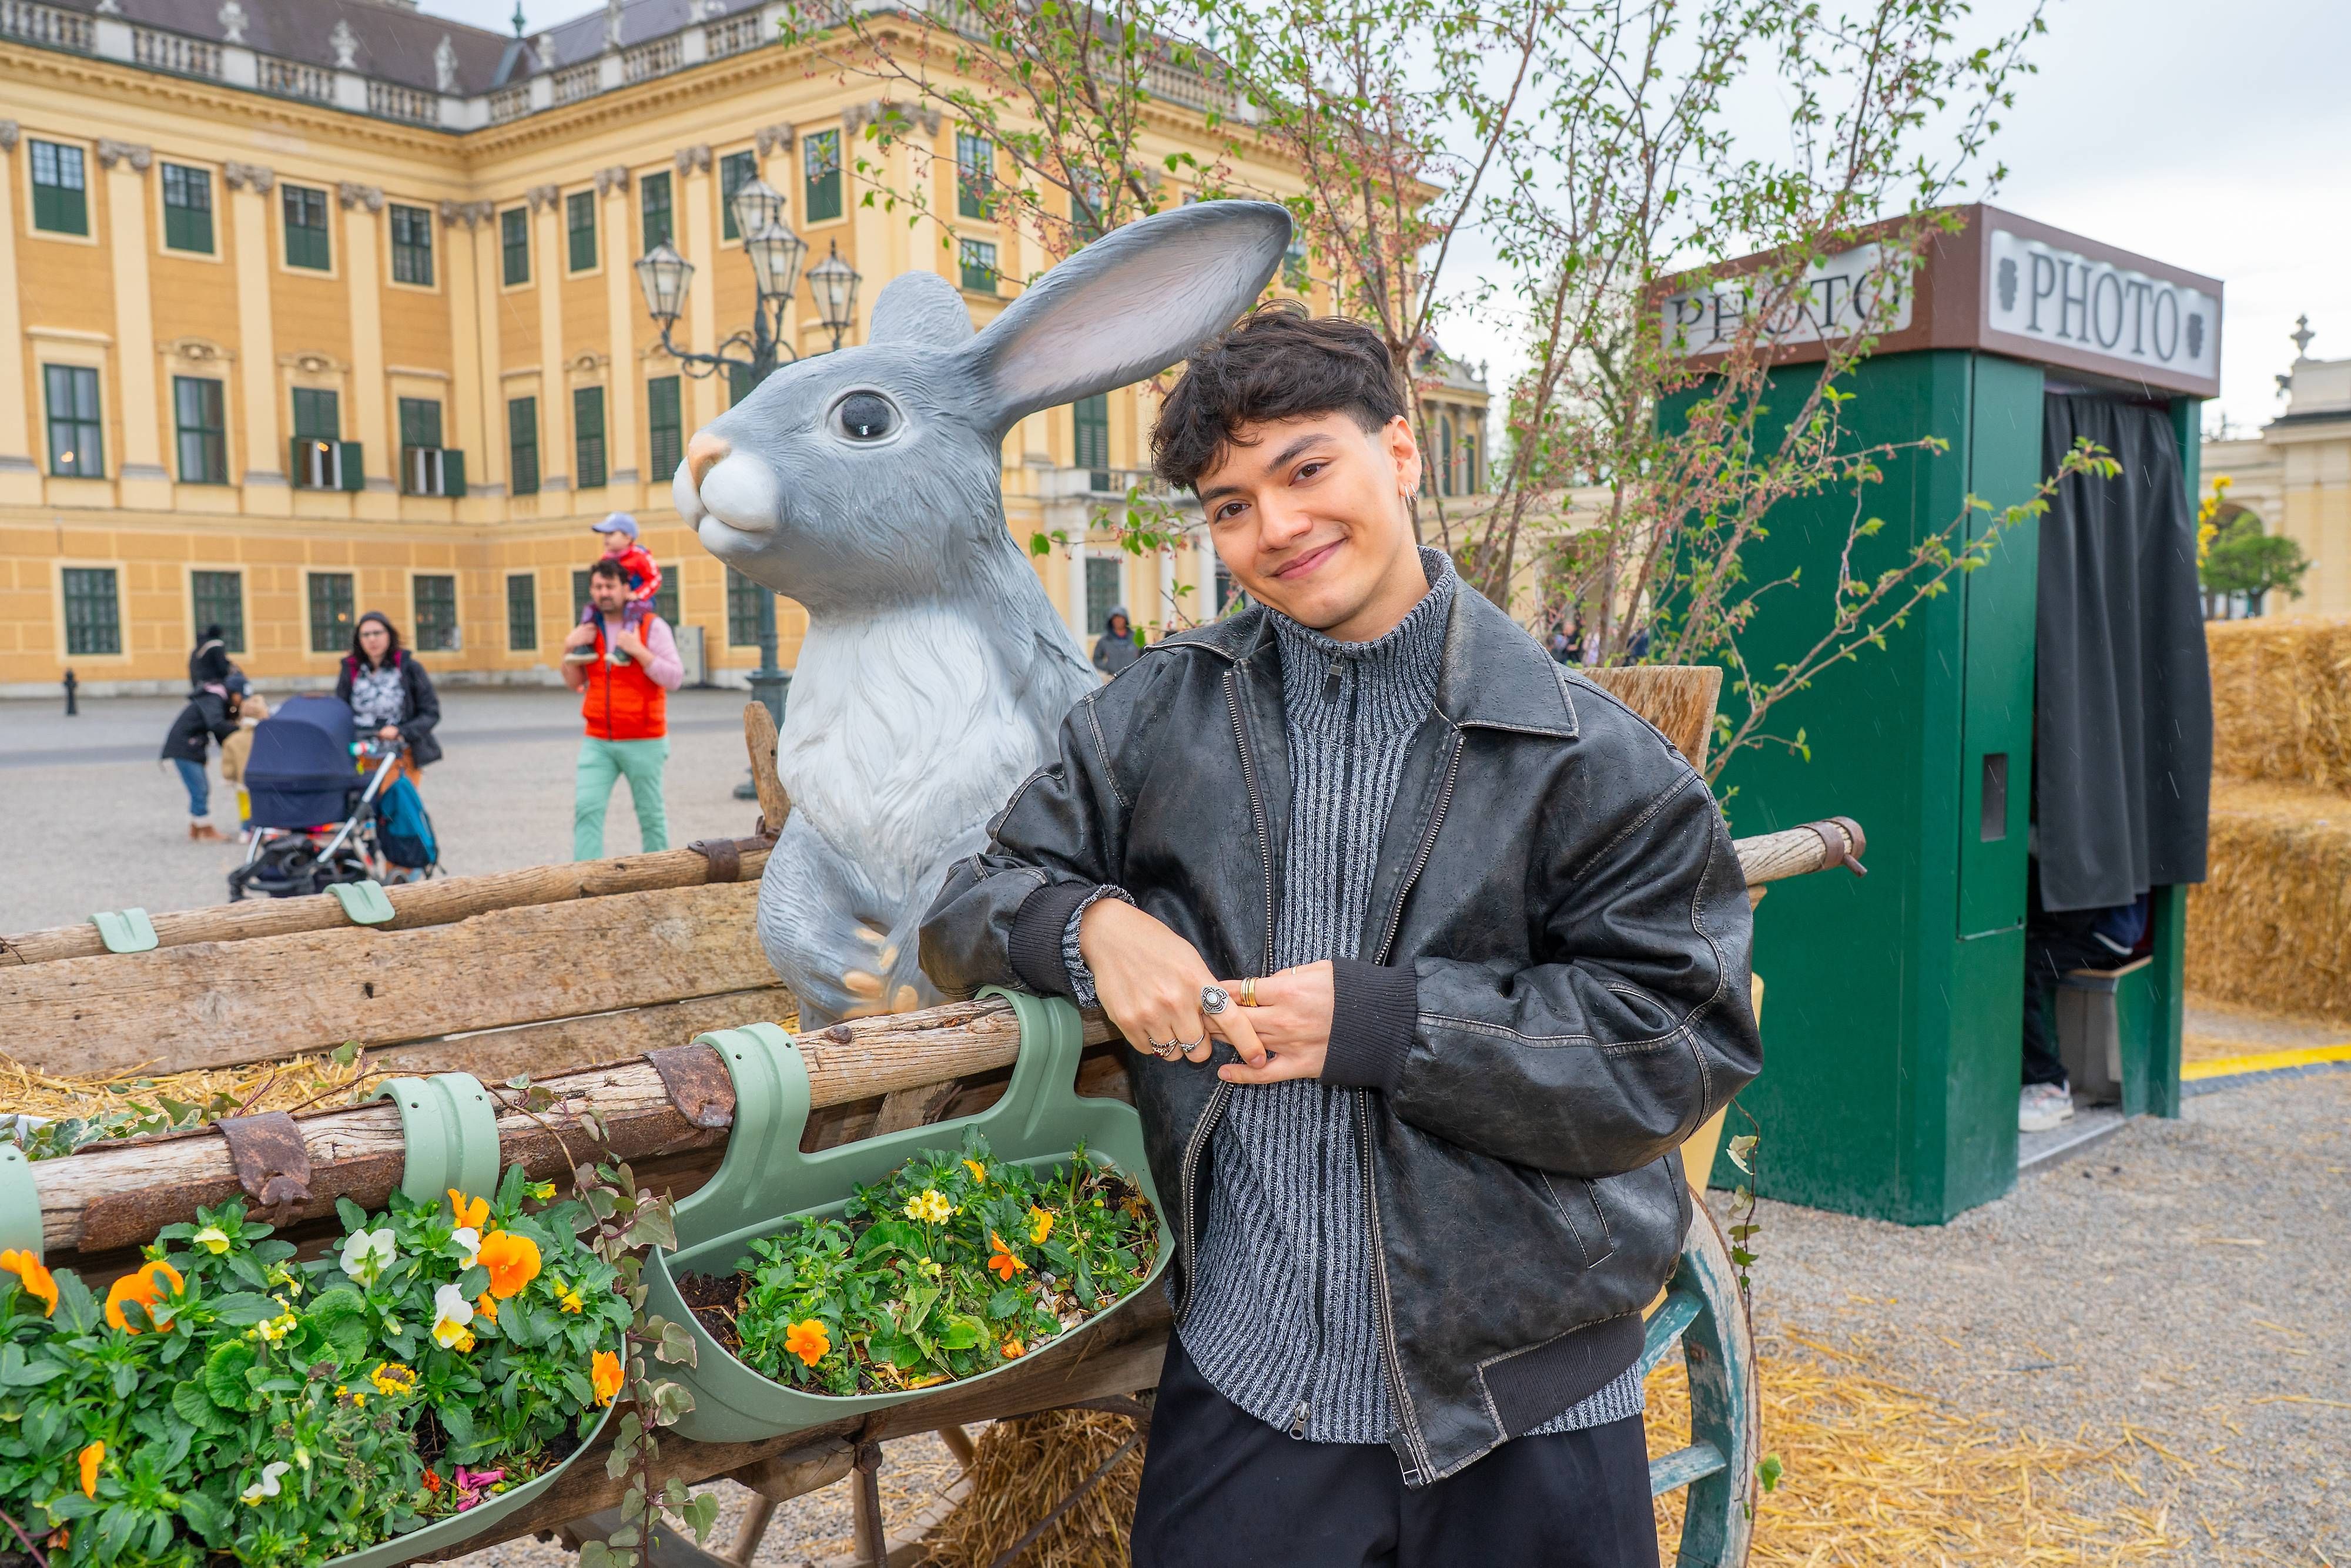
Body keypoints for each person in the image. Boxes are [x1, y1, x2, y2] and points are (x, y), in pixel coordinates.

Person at [921, 303, 1760, 1568]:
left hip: (1519, 1398)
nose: (1277, 527)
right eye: (1229, 505)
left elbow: (1670, 1046)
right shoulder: (1160, 712)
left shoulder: (1590, 756)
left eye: (1306, 468)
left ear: (1402, 454)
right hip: (1252, 1380)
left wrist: (1385, 1022)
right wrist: (1090, 923)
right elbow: (971, 893)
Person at [564, 557, 685, 859]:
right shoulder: (588, 630)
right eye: (597, 587)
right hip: (598, 740)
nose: (603, 593)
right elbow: (573, 682)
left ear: (625, 588)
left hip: (645, 739)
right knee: (586, 810)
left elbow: (675, 678)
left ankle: (658, 879)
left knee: (651, 815)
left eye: (610, 586)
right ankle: (585, 881)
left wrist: (639, 651)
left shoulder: (651, 626)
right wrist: (568, 648)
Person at [2020, 861, 2148, 1132]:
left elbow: (2076, 905)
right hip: (2077, 921)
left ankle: (2049, 1083)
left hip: (2103, 932)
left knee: (2020, 966)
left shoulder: (2088, 827)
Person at [335, 612, 443, 785]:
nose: (372, 639)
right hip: (360, 753)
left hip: (399, 753)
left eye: (377, 633)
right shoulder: (352, 670)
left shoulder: (409, 669)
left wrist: (401, 731)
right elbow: (340, 710)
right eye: (366, 635)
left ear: (389, 635)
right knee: (361, 807)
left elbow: (431, 713)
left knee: (392, 806)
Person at [162, 631, 239, 840]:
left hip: (188, 746)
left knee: (200, 787)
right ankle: (205, 828)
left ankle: (196, 827)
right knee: (200, 788)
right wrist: (240, 732)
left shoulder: (210, 697)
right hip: (185, 747)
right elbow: (216, 724)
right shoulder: (213, 699)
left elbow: (217, 728)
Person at [572, 512, 661, 647]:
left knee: (632, 610)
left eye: (611, 534)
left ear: (628, 537)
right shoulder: (606, 559)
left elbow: (655, 579)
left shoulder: (640, 556)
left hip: (639, 601)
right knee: (591, 609)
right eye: (605, 535)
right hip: (616, 602)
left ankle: (624, 645)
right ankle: (586, 645)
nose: (606, 539)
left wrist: (637, 594)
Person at [219, 692, 270, 837]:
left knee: (245, 807)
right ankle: (263, 830)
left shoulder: (234, 739)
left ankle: (246, 831)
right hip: (263, 778)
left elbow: (228, 763)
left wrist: (228, 776)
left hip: (242, 780)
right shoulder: (267, 735)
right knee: (262, 804)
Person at [1091, 605, 1140, 679]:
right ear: (1111, 621)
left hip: (1135, 677)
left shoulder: (1136, 638)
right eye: (1115, 618)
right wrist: (1108, 667)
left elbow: (1146, 653)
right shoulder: (1105, 640)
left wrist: (1139, 667)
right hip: (1114, 678)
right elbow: (1097, 659)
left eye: (1121, 618)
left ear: (1125, 619)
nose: (1118, 621)